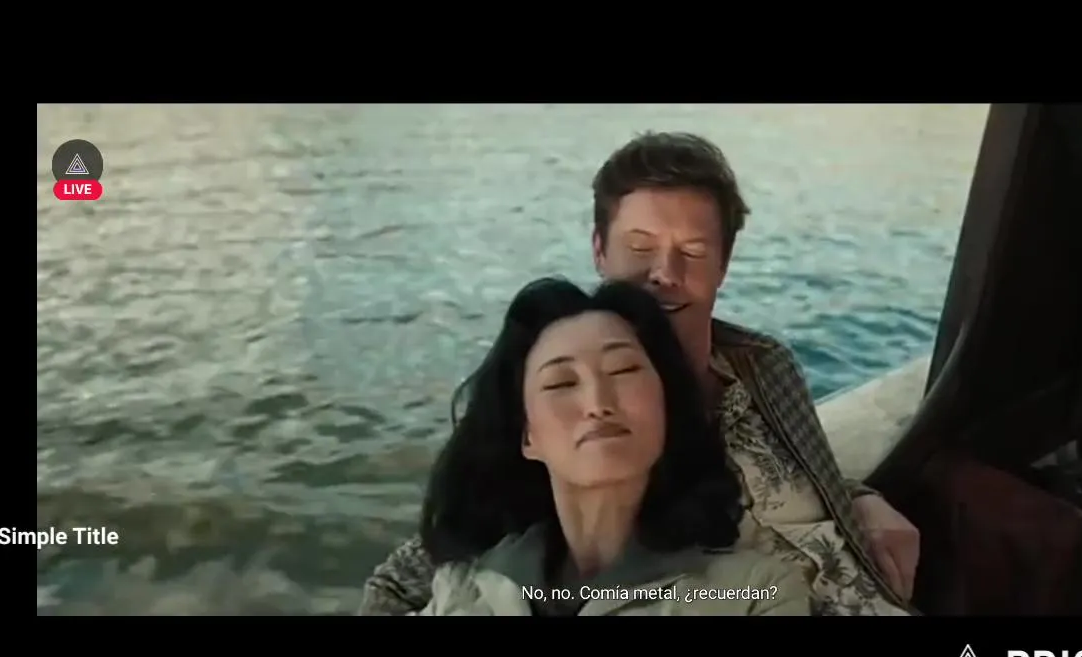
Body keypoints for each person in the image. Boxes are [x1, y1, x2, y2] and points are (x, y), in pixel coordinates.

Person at [361, 131, 920, 616]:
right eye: (640, 247)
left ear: (723, 264)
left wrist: (858, 497)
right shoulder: (578, 422)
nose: (664, 274)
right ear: (600, 251)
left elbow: (810, 473)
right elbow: (405, 580)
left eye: (693, 252)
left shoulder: (761, 363)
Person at [411, 277, 809, 616]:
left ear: (665, 406)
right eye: (562, 383)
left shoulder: (755, 593)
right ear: (528, 437)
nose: (598, 403)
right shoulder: (463, 588)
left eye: (623, 370)